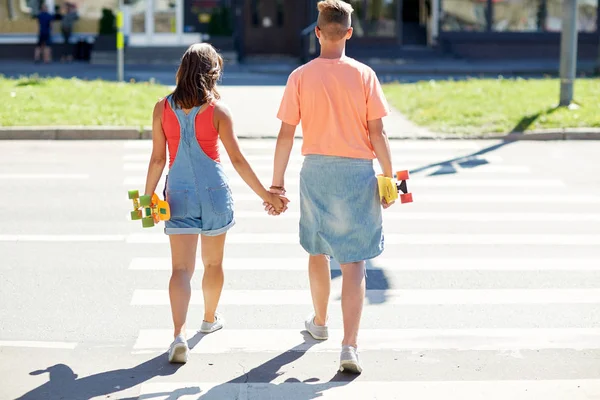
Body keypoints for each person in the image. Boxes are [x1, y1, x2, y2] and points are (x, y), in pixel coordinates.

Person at [265, 0, 395, 374]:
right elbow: (378, 132)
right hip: (357, 172)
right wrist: (390, 180)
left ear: (318, 32)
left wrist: (276, 183)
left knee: (318, 250)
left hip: (316, 172)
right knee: (354, 262)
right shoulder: (364, 75)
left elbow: (285, 134)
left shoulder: (301, 76)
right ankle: (349, 346)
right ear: (350, 33)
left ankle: (320, 322)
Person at [143, 43, 288, 364]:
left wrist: (147, 198)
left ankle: (178, 335)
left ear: (182, 71)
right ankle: (208, 319)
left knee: (180, 269)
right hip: (214, 194)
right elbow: (236, 159)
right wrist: (268, 196)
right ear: (213, 74)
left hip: (176, 195)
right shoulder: (219, 112)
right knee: (213, 263)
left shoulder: (161, 109)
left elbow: (157, 159)